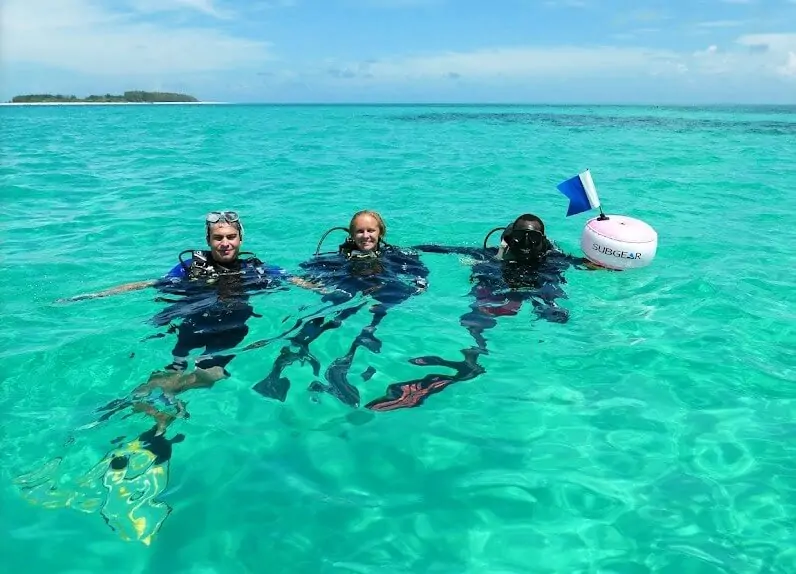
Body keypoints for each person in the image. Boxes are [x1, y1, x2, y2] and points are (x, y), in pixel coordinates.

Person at [363, 213, 591, 412]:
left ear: (542, 241)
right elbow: (446, 249)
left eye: (534, 239)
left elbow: (584, 263)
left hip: (536, 286)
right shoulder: (493, 256)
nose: (527, 244)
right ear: (510, 238)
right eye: (522, 238)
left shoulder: (552, 259)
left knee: (553, 303)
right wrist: (395, 251)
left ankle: (472, 358)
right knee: (478, 320)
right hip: (501, 287)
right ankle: (469, 361)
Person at [58, 210, 310, 377]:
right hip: (190, 324)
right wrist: (93, 296)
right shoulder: (188, 268)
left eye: (231, 237)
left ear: (241, 239)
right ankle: (154, 410)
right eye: (218, 237)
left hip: (230, 328)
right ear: (208, 240)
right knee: (176, 369)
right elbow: (147, 284)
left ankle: (163, 412)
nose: (225, 243)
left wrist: (324, 289)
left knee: (210, 375)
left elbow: (291, 277)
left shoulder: (255, 268)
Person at [249, 210, 429, 408]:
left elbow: (418, 272)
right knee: (318, 321)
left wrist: (420, 284)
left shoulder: (396, 256)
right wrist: (304, 282)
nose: (366, 235)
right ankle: (277, 372)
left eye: (371, 230)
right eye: (360, 231)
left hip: (379, 293)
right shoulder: (341, 258)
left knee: (372, 320)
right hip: (349, 290)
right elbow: (306, 270)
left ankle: (344, 367)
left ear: (380, 233)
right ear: (351, 235)